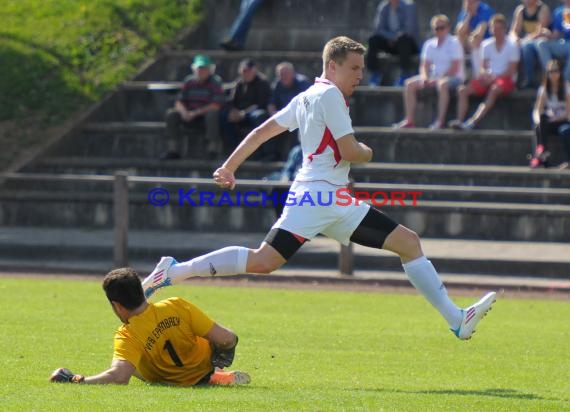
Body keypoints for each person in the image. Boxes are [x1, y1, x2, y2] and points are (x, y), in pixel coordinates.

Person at [142, 36, 496, 342]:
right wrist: (369, 151)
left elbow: (261, 131)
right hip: (325, 197)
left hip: (318, 195)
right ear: (333, 65)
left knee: (265, 260)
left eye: (361, 68)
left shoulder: (307, 96)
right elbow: (349, 151)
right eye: (355, 68)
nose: (360, 75)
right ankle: (456, 319)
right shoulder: (330, 98)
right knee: (407, 243)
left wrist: (230, 166)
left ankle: (173, 271)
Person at [49, 267, 250, 386]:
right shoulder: (176, 305)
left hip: (170, 380)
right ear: (141, 291)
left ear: (117, 306)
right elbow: (227, 338)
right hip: (203, 367)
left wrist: (77, 379)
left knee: (131, 361)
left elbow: (118, 376)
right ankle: (215, 374)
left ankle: (213, 378)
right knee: (204, 333)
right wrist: (226, 348)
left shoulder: (127, 334)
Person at [393, 14, 465, 130]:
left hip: (453, 78)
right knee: (409, 84)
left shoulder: (455, 42)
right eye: (437, 28)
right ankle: (409, 120)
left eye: (442, 27)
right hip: (434, 77)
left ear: (448, 28)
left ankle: (440, 121)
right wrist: (425, 77)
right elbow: (424, 66)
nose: (439, 31)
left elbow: (455, 68)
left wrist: (436, 79)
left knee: (442, 84)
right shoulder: (429, 44)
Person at [449, 14, 520, 130]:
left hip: (505, 80)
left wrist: (493, 78)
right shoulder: (486, 45)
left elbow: (511, 70)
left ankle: (472, 122)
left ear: (504, 29)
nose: (496, 31)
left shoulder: (512, 46)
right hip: (490, 78)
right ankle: (459, 121)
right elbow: (483, 67)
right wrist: (485, 75)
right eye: (493, 28)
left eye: (498, 28)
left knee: (494, 89)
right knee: (462, 90)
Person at [161, 54, 226, 160]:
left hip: (204, 115)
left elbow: (216, 105)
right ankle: (172, 150)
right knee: (171, 114)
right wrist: (184, 113)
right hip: (189, 114)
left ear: (210, 69)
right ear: (194, 69)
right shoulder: (189, 81)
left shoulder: (215, 82)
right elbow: (179, 101)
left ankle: (212, 150)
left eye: (204, 68)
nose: (201, 71)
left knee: (213, 115)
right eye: (199, 68)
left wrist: (195, 113)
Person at [220, 58, 271, 157]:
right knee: (223, 116)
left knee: (259, 115)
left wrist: (244, 113)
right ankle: (232, 149)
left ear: (254, 71)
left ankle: (264, 153)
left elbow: (261, 103)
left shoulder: (262, 83)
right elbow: (231, 100)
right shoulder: (239, 83)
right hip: (240, 114)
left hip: (253, 113)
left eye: (248, 71)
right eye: (244, 71)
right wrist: (232, 111)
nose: (246, 73)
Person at [366, 0, 420, 86]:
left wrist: (395, 37)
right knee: (373, 40)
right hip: (390, 42)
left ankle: (404, 75)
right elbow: (378, 29)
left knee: (403, 39)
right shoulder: (384, 6)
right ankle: (375, 74)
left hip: (408, 44)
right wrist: (391, 37)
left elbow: (409, 29)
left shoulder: (409, 5)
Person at [529, 59, 570, 169]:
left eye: (555, 71)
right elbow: (537, 109)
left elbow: (567, 113)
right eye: (550, 71)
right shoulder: (544, 89)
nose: (553, 74)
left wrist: (554, 119)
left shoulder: (566, 88)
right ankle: (543, 154)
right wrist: (538, 120)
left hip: (564, 121)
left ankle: (541, 157)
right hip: (550, 121)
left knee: (565, 130)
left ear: (560, 72)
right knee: (539, 124)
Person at [267, 62, 311, 161]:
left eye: (286, 74)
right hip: (283, 116)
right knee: (268, 123)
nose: (283, 77)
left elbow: (308, 104)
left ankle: (293, 158)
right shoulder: (277, 84)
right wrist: (273, 115)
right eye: (280, 74)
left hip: (300, 116)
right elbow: (271, 103)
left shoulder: (302, 83)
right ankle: (272, 156)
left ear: (293, 73)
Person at [509, 0, 552, 89]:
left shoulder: (543, 9)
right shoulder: (520, 10)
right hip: (527, 41)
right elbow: (514, 30)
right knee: (519, 47)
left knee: (527, 46)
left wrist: (524, 40)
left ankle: (536, 79)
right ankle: (519, 80)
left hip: (541, 40)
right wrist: (515, 38)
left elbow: (540, 31)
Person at [455, 0, 495, 77]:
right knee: (457, 42)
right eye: (466, 2)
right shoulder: (464, 13)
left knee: (474, 41)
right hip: (471, 42)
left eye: (471, 2)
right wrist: (468, 16)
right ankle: (461, 77)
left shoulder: (485, 10)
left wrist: (468, 35)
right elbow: (459, 33)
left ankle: (479, 76)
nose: (468, 4)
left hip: (488, 41)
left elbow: (480, 33)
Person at [536, 0, 570, 82]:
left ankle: (563, 81)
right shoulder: (559, 12)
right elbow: (556, 35)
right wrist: (546, 34)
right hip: (564, 43)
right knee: (541, 43)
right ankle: (552, 77)